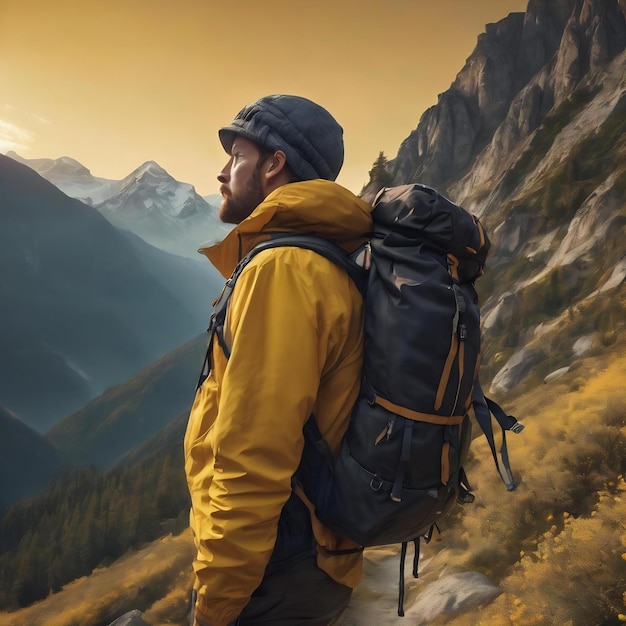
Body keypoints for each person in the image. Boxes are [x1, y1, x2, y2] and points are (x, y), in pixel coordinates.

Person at [184, 95, 373, 626]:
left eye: (236, 156)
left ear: (274, 164)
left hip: (273, 573)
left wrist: (216, 601)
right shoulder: (323, 260)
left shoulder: (283, 271)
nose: (222, 172)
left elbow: (254, 457)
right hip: (305, 562)